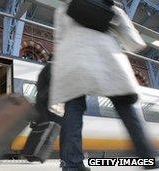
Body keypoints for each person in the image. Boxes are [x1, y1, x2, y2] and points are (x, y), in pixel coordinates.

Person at [49, 1, 158, 171]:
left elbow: (59, 39)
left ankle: (72, 164)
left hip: (72, 64)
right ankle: (147, 158)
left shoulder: (63, 9)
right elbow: (134, 42)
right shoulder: (110, 7)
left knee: (72, 113)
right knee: (126, 110)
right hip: (106, 61)